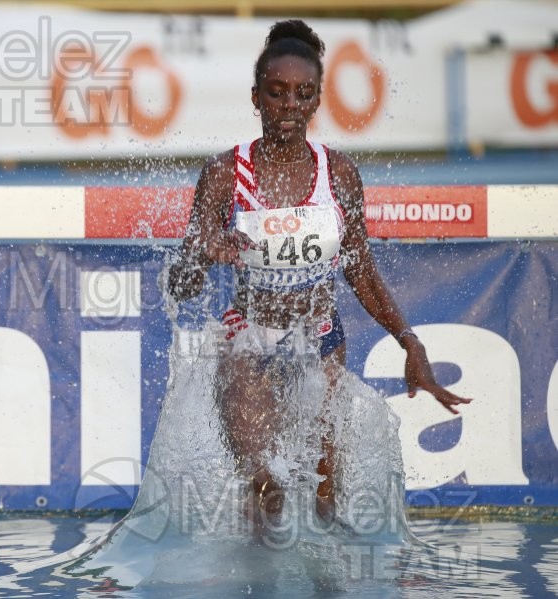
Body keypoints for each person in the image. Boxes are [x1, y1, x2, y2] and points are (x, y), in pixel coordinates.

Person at [167, 19, 472, 531]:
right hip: (251, 341)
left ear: (316, 101)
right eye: (277, 92)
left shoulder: (340, 174)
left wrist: (410, 343)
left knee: (327, 498)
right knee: (266, 494)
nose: (289, 106)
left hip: (320, 338)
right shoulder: (225, 172)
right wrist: (201, 253)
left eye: (302, 94)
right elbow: (181, 286)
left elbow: (361, 270)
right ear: (256, 97)